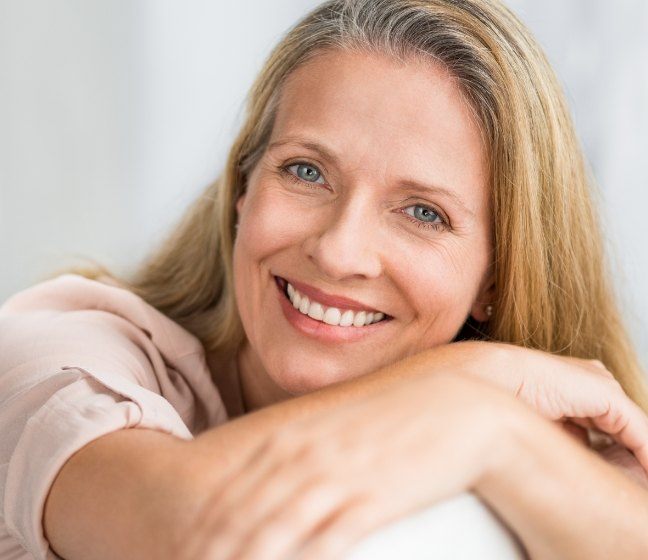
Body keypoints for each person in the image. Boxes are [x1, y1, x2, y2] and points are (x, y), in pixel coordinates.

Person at [2, 0, 648, 558]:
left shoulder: (514, 430)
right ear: (243, 188)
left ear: (496, 280)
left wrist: (487, 429)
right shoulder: (54, 356)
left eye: (423, 212)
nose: (340, 253)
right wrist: (469, 400)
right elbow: (196, 538)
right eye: (306, 172)